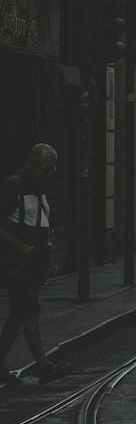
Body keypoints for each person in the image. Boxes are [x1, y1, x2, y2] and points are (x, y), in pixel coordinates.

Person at [0, 145, 70, 387]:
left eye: (52, 169)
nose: (49, 173)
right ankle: (44, 367)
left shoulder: (38, 186)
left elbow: (36, 218)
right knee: (29, 311)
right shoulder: (13, 185)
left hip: (35, 262)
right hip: (18, 262)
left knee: (19, 313)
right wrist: (21, 246)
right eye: (45, 167)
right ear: (30, 162)